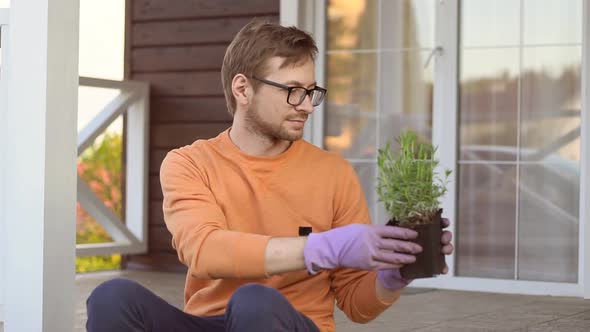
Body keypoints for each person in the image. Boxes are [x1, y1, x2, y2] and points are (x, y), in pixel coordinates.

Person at [86, 19, 454, 332]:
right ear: (243, 88)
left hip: (288, 322)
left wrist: (394, 276)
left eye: (312, 92)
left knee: (255, 303)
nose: (308, 106)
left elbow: (356, 304)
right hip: (212, 321)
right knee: (112, 297)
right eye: (294, 92)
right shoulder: (190, 163)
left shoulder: (333, 173)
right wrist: (322, 247)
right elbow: (204, 250)